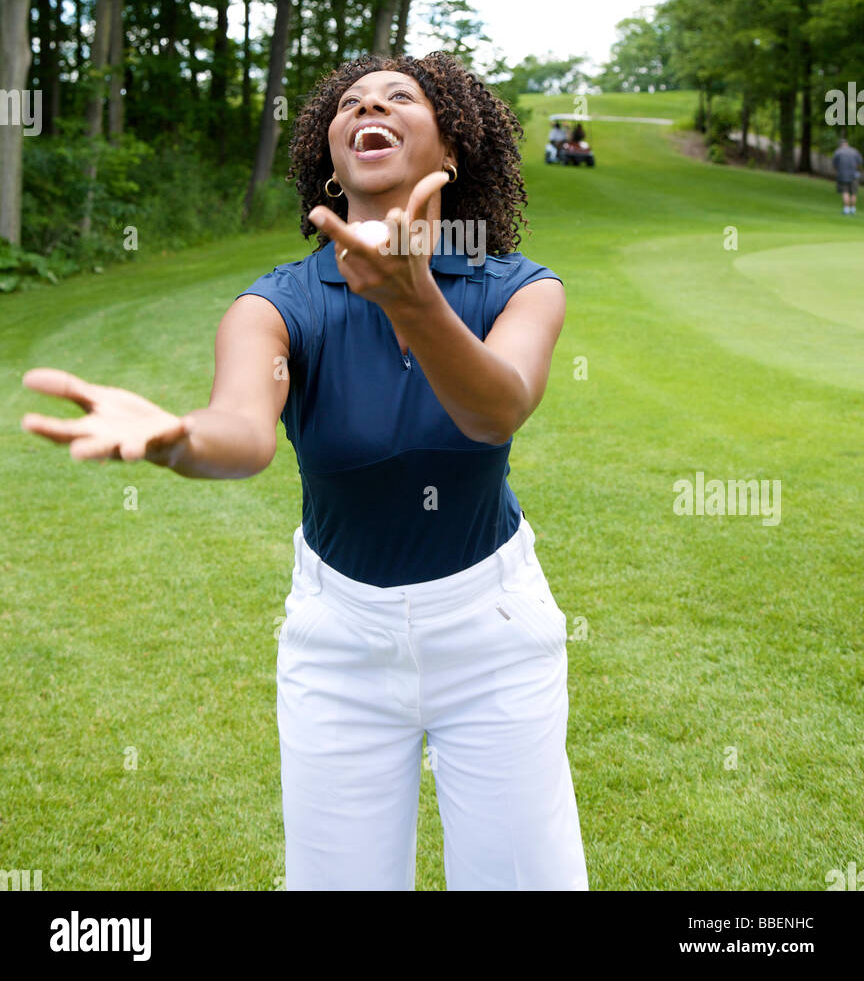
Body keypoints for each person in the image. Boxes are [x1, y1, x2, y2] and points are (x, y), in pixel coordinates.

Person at [21, 50, 589, 893]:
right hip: (338, 642)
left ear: (451, 151)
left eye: (403, 98)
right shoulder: (279, 303)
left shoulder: (519, 289)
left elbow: (493, 410)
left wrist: (412, 298)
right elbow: (243, 432)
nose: (374, 107)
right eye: (353, 102)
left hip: (493, 631)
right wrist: (177, 438)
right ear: (331, 159)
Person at [832, 136, 862, 215]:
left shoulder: (838, 152)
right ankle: (853, 209)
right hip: (854, 175)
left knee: (845, 192)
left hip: (842, 175)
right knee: (853, 192)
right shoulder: (855, 151)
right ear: (847, 144)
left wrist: (838, 171)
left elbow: (835, 165)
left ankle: (846, 209)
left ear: (840, 145)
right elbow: (859, 163)